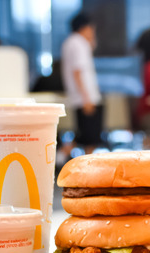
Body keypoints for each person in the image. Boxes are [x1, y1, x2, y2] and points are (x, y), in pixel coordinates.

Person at [61, 12, 103, 157]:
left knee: (84, 136)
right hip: (86, 97)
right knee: (89, 138)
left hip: (78, 97)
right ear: (84, 27)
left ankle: (62, 155)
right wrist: (86, 98)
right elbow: (78, 72)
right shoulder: (79, 43)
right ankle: (83, 164)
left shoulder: (70, 42)